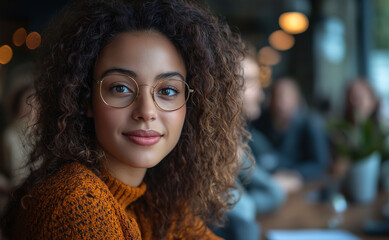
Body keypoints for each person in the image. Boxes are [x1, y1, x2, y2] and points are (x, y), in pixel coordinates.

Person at [1, 0, 247, 239]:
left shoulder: (151, 203)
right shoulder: (78, 205)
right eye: (120, 88)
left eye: (168, 91)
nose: (146, 111)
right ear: (85, 99)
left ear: (190, 105)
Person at [213, 48, 286, 240]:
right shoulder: (204, 152)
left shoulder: (232, 143)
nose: (261, 96)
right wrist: (245, 205)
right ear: (223, 85)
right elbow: (244, 218)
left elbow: (275, 194)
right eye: (252, 82)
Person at [253, 78, 331, 181]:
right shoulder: (260, 123)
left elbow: (320, 165)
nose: (279, 102)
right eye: (275, 96)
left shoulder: (311, 124)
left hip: (304, 185)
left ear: (297, 99)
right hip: (270, 181)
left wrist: (294, 174)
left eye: (285, 96)